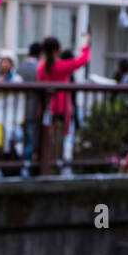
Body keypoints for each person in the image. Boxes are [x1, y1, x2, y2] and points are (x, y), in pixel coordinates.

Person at [37, 33, 91, 168]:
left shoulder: (41, 68)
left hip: (46, 108)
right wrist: (85, 44)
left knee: (46, 140)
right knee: (58, 141)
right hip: (60, 109)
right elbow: (82, 60)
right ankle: (54, 167)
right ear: (57, 50)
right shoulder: (60, 67)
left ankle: (45, 167)